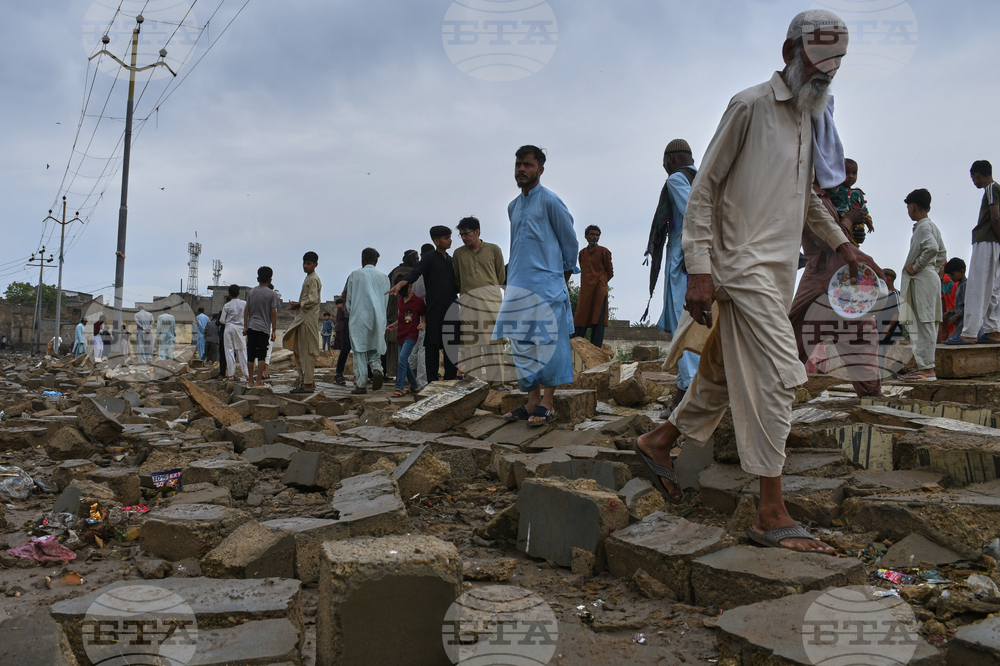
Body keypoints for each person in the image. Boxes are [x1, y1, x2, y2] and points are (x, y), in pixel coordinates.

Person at [636, 10, 864, 554]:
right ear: (789, 51)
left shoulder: (810, 119)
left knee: (719, 370)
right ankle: (769, 509)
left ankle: (659, 440)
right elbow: (704, 191)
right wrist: (699, 268)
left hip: (778, 270)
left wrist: (844, 245)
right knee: (781, 373)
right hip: (739, 269)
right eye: (818, 60)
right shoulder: (749, 106)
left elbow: (807, 197)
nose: (826, 73)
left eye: (835, 65)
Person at [492, 145, 579, 425]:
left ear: (540, 169)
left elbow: (570, 243)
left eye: (528, 165)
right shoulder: (513, 206)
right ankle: (531, 402)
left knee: (548, 343)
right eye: (518, 164)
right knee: (522, 344)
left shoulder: (551, 202)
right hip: (518, 286)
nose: (521, 169)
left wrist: (561, 278)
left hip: (547, 285)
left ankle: (548, 403)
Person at [789, 183, 884, 397]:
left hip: (842, 282)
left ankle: (872, 399)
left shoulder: (837, 197)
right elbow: (825, 241)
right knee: (793, 344)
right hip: (822, 283)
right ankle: (770, 397)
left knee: (860, 337)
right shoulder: (814, 197)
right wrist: (849, 219)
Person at [648, 140, 701, 409]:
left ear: (671, 160)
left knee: (687, 328)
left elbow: (695, 214)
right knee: (692, 327)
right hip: (696, 264)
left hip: (686, 265)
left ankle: (690, 398)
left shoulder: (677, 180)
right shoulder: (701, 176)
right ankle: (682, 394)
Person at [389, 227, 459, 382]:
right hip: (434, 308)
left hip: (452, 307)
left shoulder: (451, 260)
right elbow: (415, 273)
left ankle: (450, 380)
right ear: (436, 241)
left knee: (451, 345)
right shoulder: (429, 258)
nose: (450, 240)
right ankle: (432, 381)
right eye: (446, 238)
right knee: (432, 345)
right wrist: (401, 284)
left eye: (450, 237)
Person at [452, 216, 507, 384]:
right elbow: (457, 279)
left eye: (467, 233)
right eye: (461, 235)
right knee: (471, 346)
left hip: (491, 304)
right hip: (469, 305)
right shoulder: (458, 254)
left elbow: (500, 276)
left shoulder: (494, 249)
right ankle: (473, 384)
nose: (464, 238)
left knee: (494, 344)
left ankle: (497, 384)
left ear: (477, 232)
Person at [900, 189, 946, 381]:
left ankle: (927, 369)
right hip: (929, 276)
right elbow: (942, 254)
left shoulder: (923, 227)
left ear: (912, 207)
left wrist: (917, 267)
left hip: (923, 277)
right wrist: (931, 270)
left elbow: (934, 248)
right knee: (926, 322)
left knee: (924, 322)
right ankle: (924, 366)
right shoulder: (930, 225)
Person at [957, 161, 1000, 343]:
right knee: (994, 287)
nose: (974, 181)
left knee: (977, 285)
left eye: (973, 178)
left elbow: (995, 216)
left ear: (977, 175)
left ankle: (969, 333)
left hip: (986, 240)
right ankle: (993, 330)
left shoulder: (991, 188)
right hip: (995, 243)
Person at [347, 248, 390, 394]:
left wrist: (350, 312)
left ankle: (361, 384)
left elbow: (349, 301)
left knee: (359, 351)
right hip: (378, 317)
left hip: (359, 318)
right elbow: (386, 300)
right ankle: (377, 369)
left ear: (362, 259)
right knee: (374, 348)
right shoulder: (384, 277)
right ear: (376, 261)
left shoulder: (355, 275)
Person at [283, 252, 323, 394]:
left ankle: (307, 384)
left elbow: (313, 299)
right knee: (299, 351)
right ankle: (305, 381)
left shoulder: (313, 279)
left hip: (307, 320)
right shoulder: (308, 278)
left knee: (307, 352)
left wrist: (299, 304)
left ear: (315, 265)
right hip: (302, 319)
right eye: (304, 263)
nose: (306, 266)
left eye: (309, 264)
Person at [573, 225, 614, 349]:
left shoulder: (604, 251)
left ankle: (596, 349)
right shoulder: (582, 253)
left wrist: (601, 282)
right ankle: (575, 347)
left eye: (597, 235)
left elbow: (610, 272)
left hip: (599, 291)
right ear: (586, 236)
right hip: (586, 290)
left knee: (598, 318)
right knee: (581, 317)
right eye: (592, 234)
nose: (594, 237)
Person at [385, 251, 420, 380]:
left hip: (393, 312)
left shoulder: (395, 270)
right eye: (416, 258)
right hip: (402, 312)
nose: (417, 260)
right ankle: (401, 374)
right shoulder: (409, 272)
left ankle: (395, 372)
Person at [387, 279, 425, 396]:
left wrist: (423, 323)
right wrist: (394, 325)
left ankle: (399, 387)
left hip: (411, 335)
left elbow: (424, 314)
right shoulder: (400, 302)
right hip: (401, 334)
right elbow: (403, 317)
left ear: (410, 287)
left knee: (402, 359)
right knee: (404, 362)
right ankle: (415, 386)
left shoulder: (418, 301)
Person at [245, 267, 280, 388]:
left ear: (258, 278)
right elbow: (273, 313)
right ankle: (258, 381)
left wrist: (245, 326)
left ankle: (250, 381)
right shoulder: (272, 294)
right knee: (261, 355)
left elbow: (247, 310)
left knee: (250, 354)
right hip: (264, 328)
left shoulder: (252, 292)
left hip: (251, 327)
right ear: (271, 280)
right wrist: (274, 330)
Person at [828, 158, 874, 243]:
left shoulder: (858, 194)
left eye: (854, 173)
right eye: (847, 173)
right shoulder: (834, 190)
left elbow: (864, 209)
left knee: (854, 243)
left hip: (856, 226)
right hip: (841, 223)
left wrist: (868, 221)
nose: (851, 176)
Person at [877, 269, 904, 377]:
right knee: (880, 355)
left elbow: (897, 313)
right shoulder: (881, 295)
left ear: (889, 278)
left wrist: (887, 328)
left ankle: (893, 377)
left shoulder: (896, 294)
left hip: (892, 331)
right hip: (881, 329)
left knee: (890, 356)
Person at [221, 285, 249, 380]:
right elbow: (248, 317)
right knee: (242, 351)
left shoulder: (227, 305)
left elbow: (222, 320)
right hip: (240, 329)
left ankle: (231, 375)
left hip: (229, 328)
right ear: (239, 293)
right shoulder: (244, 304)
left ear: (229, 294)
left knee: (229, 351)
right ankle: (247, 374)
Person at [943, 258, 968, 345]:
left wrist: (957, 315)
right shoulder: (960, 284)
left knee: (951, 341)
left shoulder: (966, 285)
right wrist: (952, 312)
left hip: (965, 321)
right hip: (960, 320)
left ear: (962, 272)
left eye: (953, 274)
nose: (951, 277)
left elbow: (969, 306)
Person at [334, 280, 352, 385]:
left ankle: (339, 373)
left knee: (346, 346)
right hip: (363, 317)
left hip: (350, 318)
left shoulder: (353, 277)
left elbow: (344, 294)